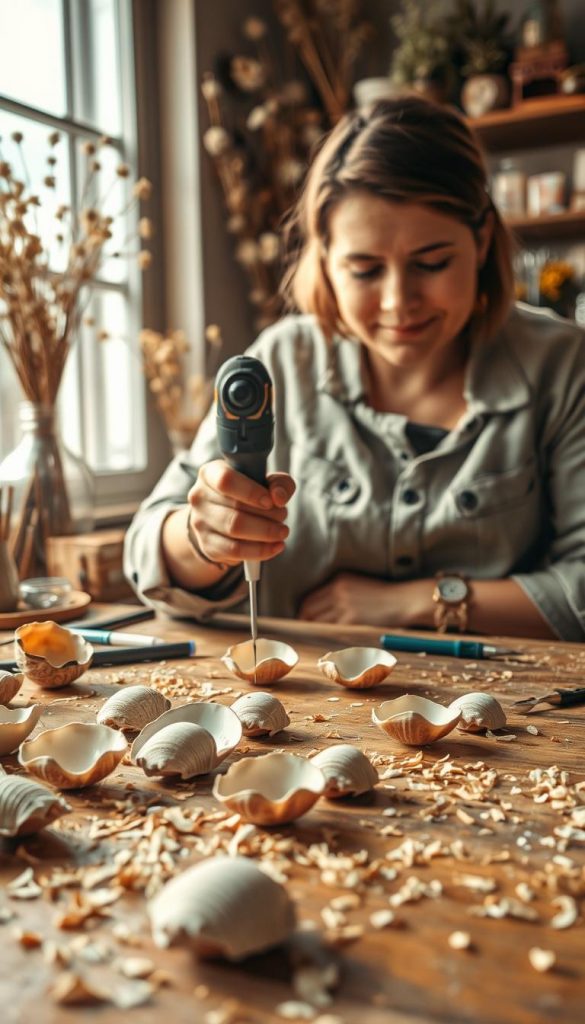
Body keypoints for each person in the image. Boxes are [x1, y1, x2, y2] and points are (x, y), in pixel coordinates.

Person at [124, 96, 585, 641]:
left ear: (482, 240)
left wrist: (410, 602)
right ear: (325, 259)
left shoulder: (562, 364)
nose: (398, 303)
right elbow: (148, 548)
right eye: (365, 270)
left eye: (432, 263)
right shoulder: (283, 361)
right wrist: (204, 537)